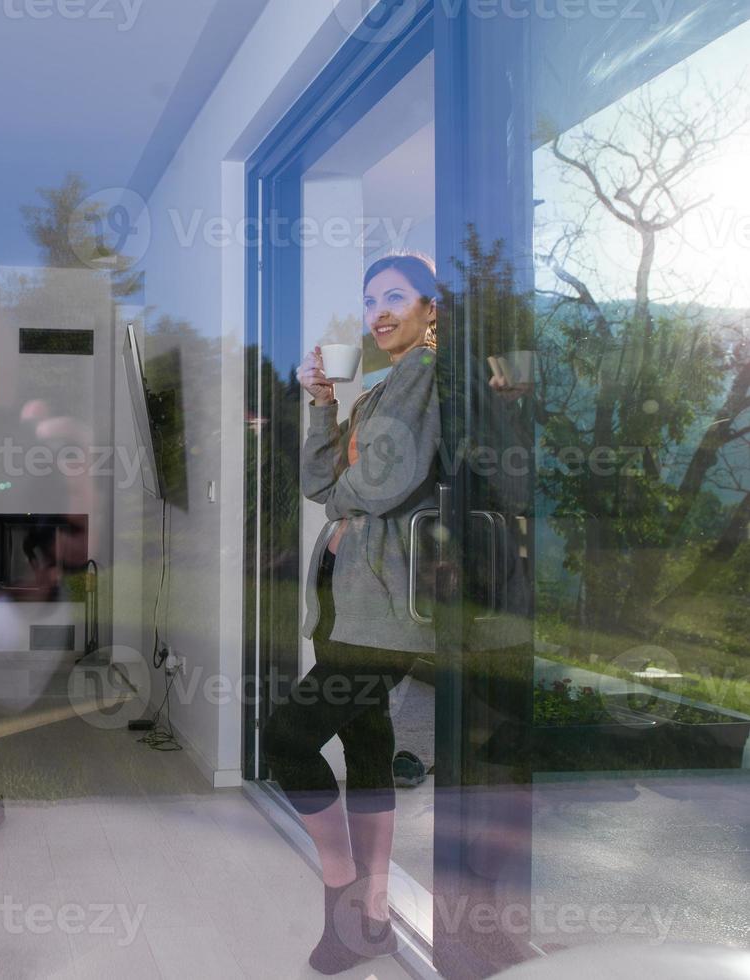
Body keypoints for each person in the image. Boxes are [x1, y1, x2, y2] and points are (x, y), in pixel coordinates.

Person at [263, 251, 441, 974]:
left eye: (396, 296)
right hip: (347, 607)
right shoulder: (376, 387)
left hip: (380, 616)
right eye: (371, 300)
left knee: (284, 737)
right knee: (368, 750)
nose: (379, 312)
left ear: (432, 308)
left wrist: (344, 489)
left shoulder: (423, 374)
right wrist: (322, 404)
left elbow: (375, 485)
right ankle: (371, 917)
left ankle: (342, 902)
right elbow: (317, 480)